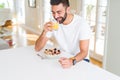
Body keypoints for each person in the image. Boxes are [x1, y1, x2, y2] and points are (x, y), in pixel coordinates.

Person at [35, 0, 91, 68]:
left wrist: (71, 61)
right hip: (64, 57)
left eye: (59, 12)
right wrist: (44, 32)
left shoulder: (82, 24)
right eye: (53, 12)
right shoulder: (54, 23)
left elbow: (84, 52)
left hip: (79, 60)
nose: (55, 16)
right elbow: (37, 48)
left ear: (68, 9)